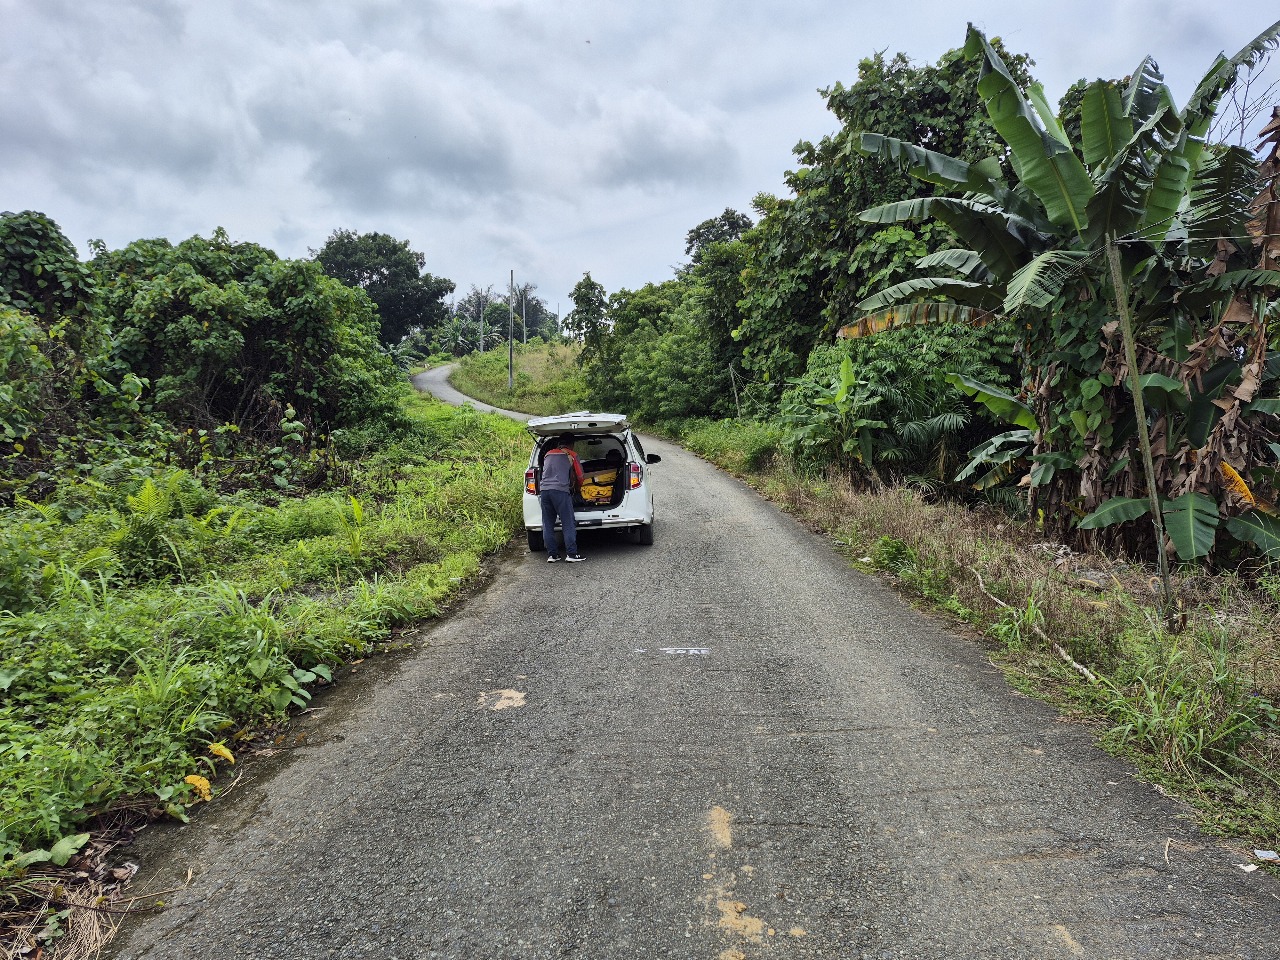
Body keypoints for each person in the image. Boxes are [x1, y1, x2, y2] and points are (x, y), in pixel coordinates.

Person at [539, 434, 585, 563]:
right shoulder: (572, 455)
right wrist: (578, 489)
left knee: (547, 524)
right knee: (568, 522)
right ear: (571, 444)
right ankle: (571, 554)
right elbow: (580, 476)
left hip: (544, 491)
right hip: (560, 491)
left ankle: (552, 555)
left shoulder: (547, 454)